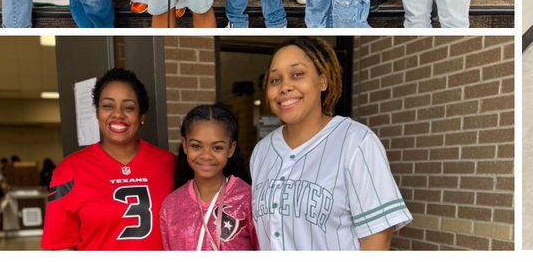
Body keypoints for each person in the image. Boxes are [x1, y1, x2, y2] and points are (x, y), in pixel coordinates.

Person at [251, 38, 411, 250]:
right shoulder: (262, 151)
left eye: (297, 74)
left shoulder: (356, 142)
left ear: (323, 81)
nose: (284, 87)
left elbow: (378, 238)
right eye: (275, 80)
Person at [42, 68, 175, 250]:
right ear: (97, 113)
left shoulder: (169, 164)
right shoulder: (69, 171)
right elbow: (58, 247)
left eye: (128, 107)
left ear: (141, 116)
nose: (118, 114)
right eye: (108, 106)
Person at [159, 104, 257, 251]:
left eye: (217, 148)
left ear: (231, 149)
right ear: (185, 146)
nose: (206, 156)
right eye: (196, 146)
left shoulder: (247, 199)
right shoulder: (171, 205)